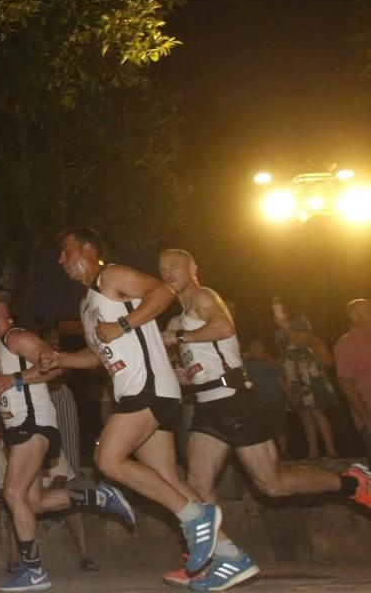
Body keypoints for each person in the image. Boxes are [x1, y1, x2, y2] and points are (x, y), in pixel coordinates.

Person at [157, 249, 371, 591]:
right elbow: (196, 358)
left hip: (236, 400)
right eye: (162, 268)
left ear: (193, 268)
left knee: (271, 484)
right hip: (207, 405)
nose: (167, 272)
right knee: (196, 483)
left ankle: (352, 482)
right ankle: (222, 558)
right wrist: (185, 373)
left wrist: (179, 338)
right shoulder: (175, 319)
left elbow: (224, 327)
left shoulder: (204, 297)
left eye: (174, 266)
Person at [41, 228, 222, 583]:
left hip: (149, 388)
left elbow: (162, 290)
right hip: (134, 391)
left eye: (66, 251)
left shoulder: (112, 275)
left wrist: (124, 323)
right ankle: (229, 555)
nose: (60, 259)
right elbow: (97, 357)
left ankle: (195, 518)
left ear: (88, 249)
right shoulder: (86, 303)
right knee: (167, 477)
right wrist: (59, 359)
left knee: (108, 460)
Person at [0, 287, 132, 593]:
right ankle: (99, 497)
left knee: (12, 493)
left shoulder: (17, 337)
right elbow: (6, 386)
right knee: (33, 501)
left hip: (34, 424)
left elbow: (57, 366)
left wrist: (13, 380)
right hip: (18, 428)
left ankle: (33, 571)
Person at [38, 325, 99, 572]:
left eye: (56, 336)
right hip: (42, 398)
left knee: (67, 446)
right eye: (50, 336)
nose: (55, 339)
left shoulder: (64, 359)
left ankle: (68, 482)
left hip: (60, 394)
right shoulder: (37, 355)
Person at [275, 304, 339, 458]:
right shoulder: (283, 338)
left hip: (310, 379)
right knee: (304, 415)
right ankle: (313, 451)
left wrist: (287, 328)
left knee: (317, 412)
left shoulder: (305, 331)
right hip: (295, 380)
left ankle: (331, 450)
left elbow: (305, 343)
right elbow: (282, 356)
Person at [336, 299, 371, 462]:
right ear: (353, 317)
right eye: (366, 310)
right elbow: (346, 383)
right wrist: (365, 418)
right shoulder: (347, 344)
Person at [244, 339, 289, 454]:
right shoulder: (247, 365)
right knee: (265, 428)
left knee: (280, 426)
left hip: (276, 399)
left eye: (260, 347)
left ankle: (284, 451)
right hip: (260, 401)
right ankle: (269, 453)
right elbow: (247, 382)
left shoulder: (271, 364)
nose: (257, 350)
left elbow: (281, 381)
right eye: (254, 347)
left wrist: (291, 396)